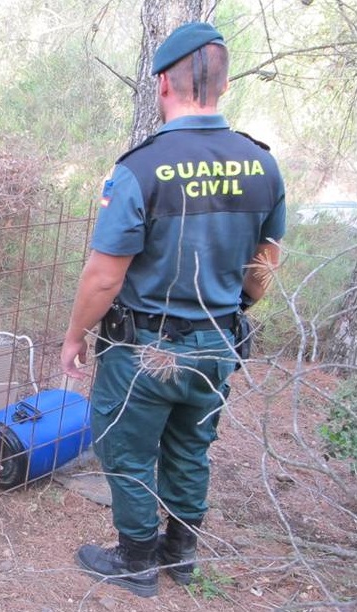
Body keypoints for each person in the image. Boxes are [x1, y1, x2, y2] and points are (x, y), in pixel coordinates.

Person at [60, 22, 286, 598]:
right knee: (190, 446)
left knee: (126, 449)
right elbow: (266, 263)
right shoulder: (263, 166)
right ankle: (180, 553)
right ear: (224, 84)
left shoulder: (141, 168)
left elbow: (106, 273)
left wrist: (75, 334)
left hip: (144, 349)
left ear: (163, 83)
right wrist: (232, 313)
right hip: (218, 343)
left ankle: (136, 561)